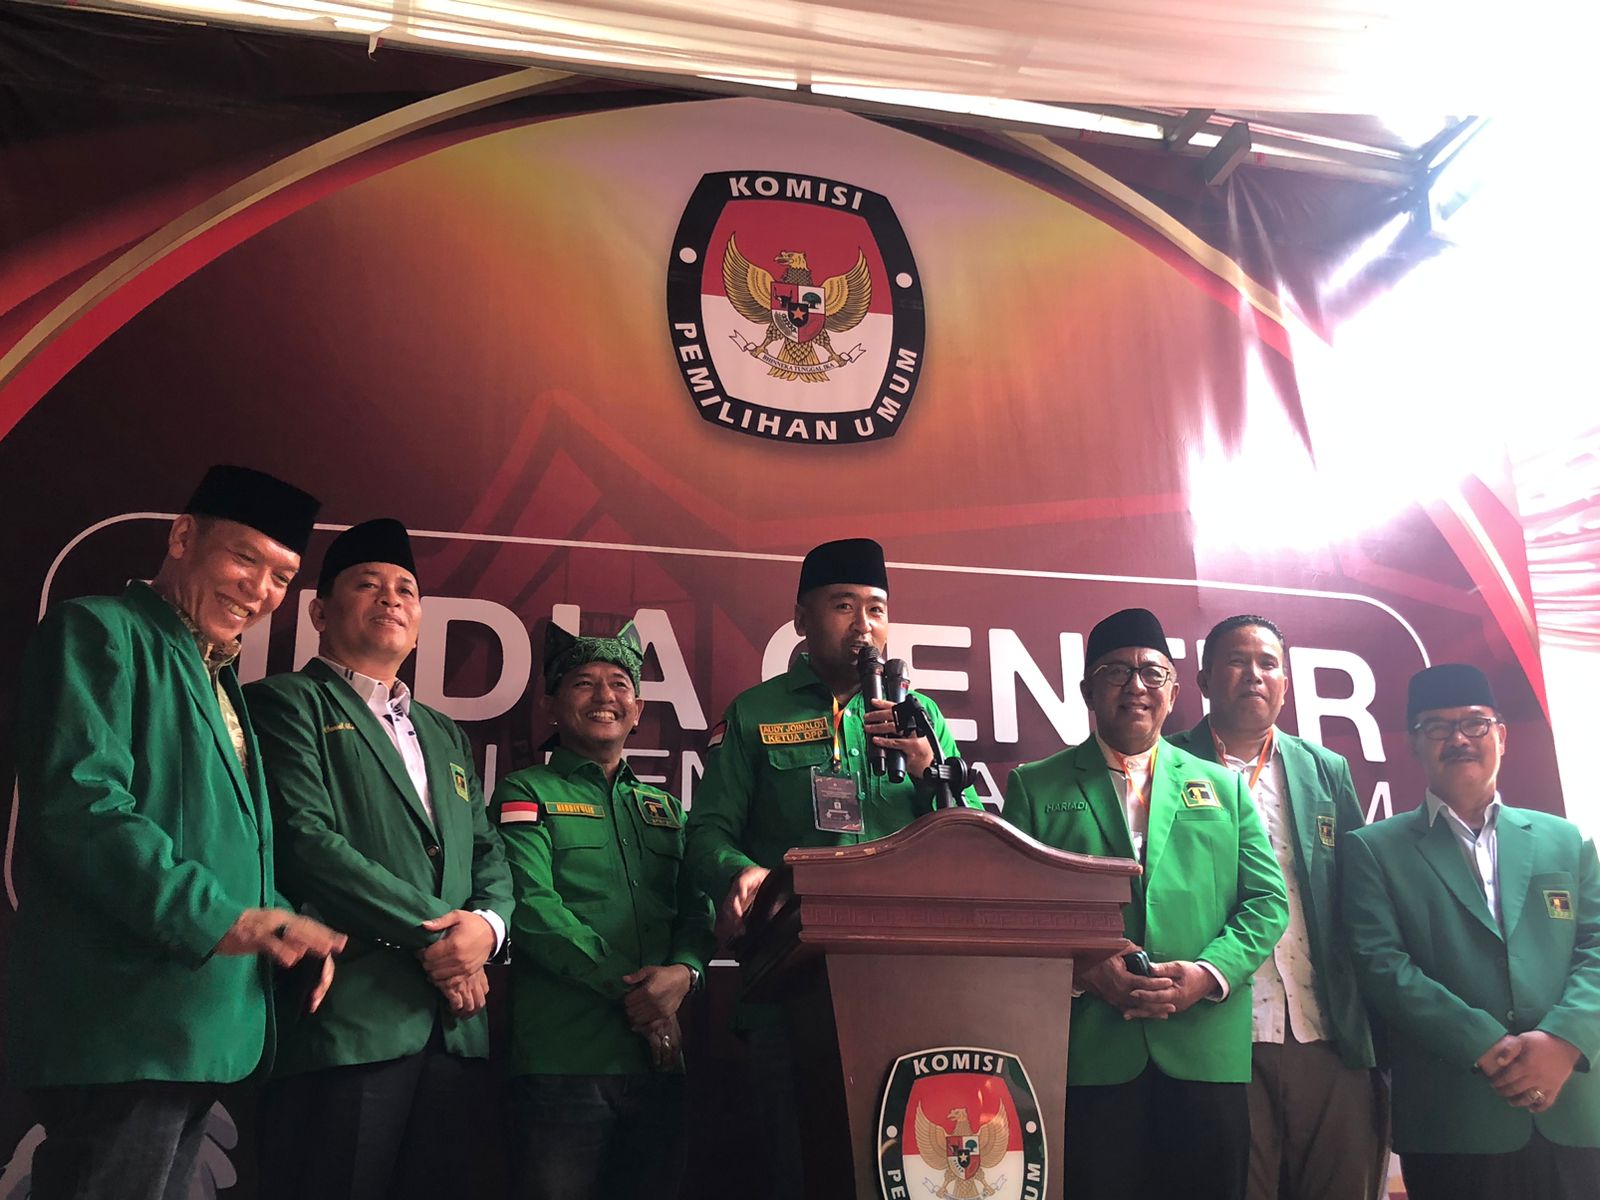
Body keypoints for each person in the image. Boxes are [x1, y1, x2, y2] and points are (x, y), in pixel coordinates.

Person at [9, 464, 346, 1200]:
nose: (260, 590)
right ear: (183, 537)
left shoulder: (217, 676)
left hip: (198, 1034)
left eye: (282, 577)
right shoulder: (99, 629)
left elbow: (222, 842)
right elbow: (82, 808)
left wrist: (281, 926)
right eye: (244, 558)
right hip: (124, 1028)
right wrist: (223, 919)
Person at [683, 536, 978, 1198]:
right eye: (843, 606)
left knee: (903, 1171)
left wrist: (929, 770)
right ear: (801, 618)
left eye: (876, 608)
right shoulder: (756, 712)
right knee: (799, 1168)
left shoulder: (919, 714)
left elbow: (970, 836)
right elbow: (705, 833)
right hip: (791, 982)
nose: (863, 625)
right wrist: (740, 873)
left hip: (906, 981)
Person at [245, 518, 514, 1200]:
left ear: (420, 623)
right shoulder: (285, 703)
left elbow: (487, 850)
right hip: (350, 1023)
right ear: (320, 613)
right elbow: (305, 842)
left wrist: (487, 929)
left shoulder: (444, 732)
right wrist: (444, 938)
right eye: (367, 584)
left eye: (405, 590)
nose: (391, 598)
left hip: (454, 1030)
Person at [1003, 606, 1287, 1200]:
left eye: (1152, 673)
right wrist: (1083, 966)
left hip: (1203, 1047)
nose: (1136, 686)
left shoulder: (1225, 787)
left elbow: (1266, 902)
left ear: (1174, 692)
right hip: (1089, 1051)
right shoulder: (1037, 785)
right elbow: (1016, 908)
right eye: (1116, 672)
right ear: (1087, 690)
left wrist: (1207, 974)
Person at [1341, 663, 1600, 1200]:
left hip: (1575, 1107)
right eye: (1437, 726)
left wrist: (1563, 1040)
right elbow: (1381, 964)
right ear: (1414, 743)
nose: (1458, 738)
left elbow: (1596, 946)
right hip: (1454, 1118)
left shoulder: (1566, 840)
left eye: (1475, 723)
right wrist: (1483, 1043)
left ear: (1501, 735)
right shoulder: (1374, 849)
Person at [492, 620, 714, 1200]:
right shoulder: (525, 792)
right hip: (562, 1061)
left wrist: (686, 973)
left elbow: (698, 910)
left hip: (659, 1065)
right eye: (583, 683)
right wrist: (644, 998)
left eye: (619, 684)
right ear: (551, 706)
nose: (604, 696)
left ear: (637, 711)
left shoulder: (666, 809)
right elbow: (532, 908)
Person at [1169, 614, 1387, 1200]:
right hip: (1218, 1030)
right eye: (1236, 661)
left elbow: (1359, 899)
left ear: (1285, 684)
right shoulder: (1167, 763)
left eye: (1268, 664)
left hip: (1324, 1028)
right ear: (1203, 680)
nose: (1254, 675)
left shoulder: (1324, 769)